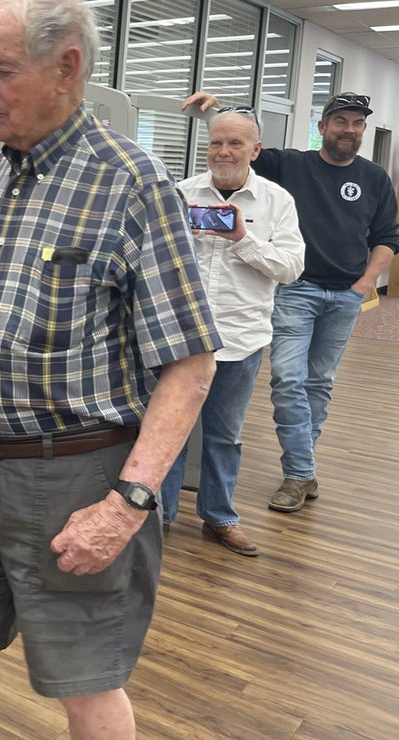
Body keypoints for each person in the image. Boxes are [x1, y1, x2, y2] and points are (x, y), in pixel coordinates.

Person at [0, 0, 220, 740]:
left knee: (84, 678)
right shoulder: (0, 172)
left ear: (66, 67)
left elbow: (191, 366)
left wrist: (127, 504)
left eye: (2, 71)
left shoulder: (131, 184)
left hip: (75, 472)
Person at [183, 91, 399, 513]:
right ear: (323, 127)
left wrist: (364, 285)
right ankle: (300, 472)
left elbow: (387, 237)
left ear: (363, 129)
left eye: (357, 123)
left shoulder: (375, 178)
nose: (349, 129)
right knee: (287, 380)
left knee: (319, 383)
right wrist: (215, 110)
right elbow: (237, 146)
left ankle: (301, 468)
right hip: (295, 291)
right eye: (341, 121)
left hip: (346, 295)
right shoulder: (293, 165)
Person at [160, 107, 304, 555]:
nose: (223, 151)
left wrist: (242, 238)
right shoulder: (181, 194)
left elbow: (292, 267)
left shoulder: (277, 201)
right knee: (168, 430)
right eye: (216, 142)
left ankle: (219, 516)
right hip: (182, 339)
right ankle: (160, 517)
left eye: (235, 143)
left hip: (240, 341)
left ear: (255, 150)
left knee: (224, 437)